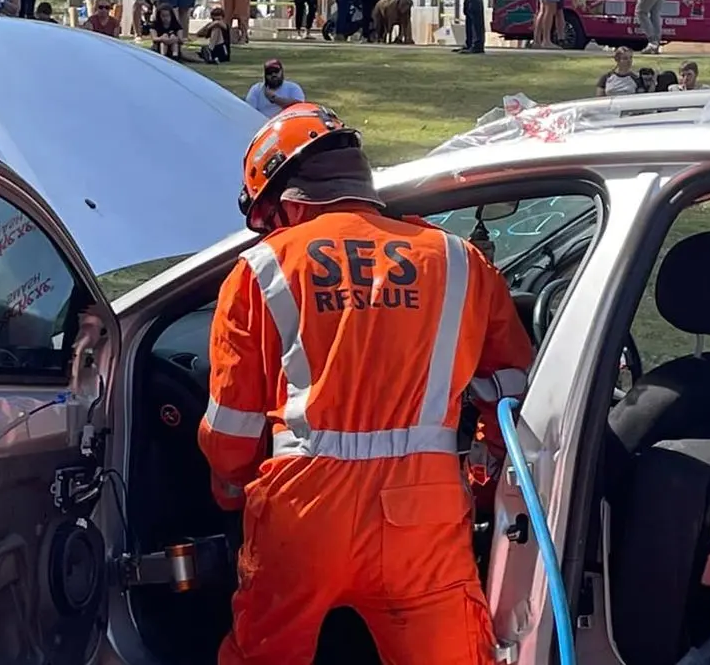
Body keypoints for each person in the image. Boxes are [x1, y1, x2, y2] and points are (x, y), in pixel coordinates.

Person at [202, 102, 533, 665]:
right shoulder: (459, 261)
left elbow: (233, 429)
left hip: (303, 515)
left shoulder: (262, 269)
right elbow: (509, 390)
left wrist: (229, 488)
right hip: (421, 514)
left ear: (285, 201)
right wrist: (483, 474)